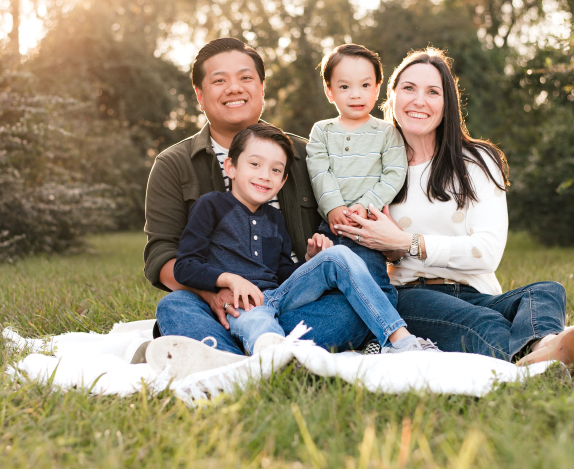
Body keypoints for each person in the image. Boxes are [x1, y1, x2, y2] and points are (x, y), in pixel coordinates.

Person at [331, 48, 574, 367]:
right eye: (409, 88)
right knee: (486, 325)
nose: (419, 100)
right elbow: (355, 248)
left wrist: (406, 243)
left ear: (446, 103)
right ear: (392, 97)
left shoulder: (476, 161)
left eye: (433, 92)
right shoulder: (371, 168)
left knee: (546, 292)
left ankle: (551, 345)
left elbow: (487, 251)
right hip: (412, 295)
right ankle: (561, 352)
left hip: (479, 291)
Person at [140, 38, 394, 373]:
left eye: (245, 78)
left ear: (262, 88)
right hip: (215, 303)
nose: (234, 88)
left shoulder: (308, 155)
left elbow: (348, 223)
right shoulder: (174, 164)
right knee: (175, 305)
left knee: (352, 308)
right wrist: (214, 293)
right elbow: (162, 258)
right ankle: (272, 355)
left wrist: (315, 259)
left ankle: (226, 355)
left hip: (290, 303)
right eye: (219, 80)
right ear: (200, 96)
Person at [145, 124, 437, 373]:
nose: (265, 175)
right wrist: (227, 279)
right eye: (255, 164)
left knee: (338, 257)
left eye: (276, 170)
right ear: (230, 167)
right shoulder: (210, 205)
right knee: (174, 305)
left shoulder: (274, 217)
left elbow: (284, 272)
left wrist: (311, 260)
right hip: (236, 306)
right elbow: (185, 265)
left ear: (283, 180)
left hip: (274, 301)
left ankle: (401, 340)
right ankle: (255, 362)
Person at [306, 44, 406, 311]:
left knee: (372, 280)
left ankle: (384, 334)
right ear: (329, 91)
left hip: (366, 228)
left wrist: (365, 205)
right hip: (331, 226)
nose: (355, 95)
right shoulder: (322, 131)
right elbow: (319, 170)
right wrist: (334, 207)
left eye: (364, 85)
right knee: (327, 285)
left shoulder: (387, 132)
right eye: (344, 87)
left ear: (377, 88)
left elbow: (394, 173)